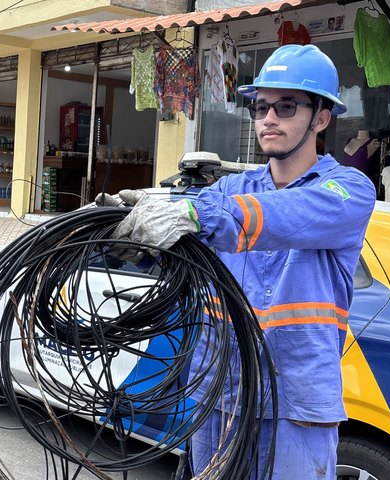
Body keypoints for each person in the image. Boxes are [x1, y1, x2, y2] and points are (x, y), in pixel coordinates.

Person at [108, 44, 376, 478]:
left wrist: (194, 213)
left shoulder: (348, 189)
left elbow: (288, 215)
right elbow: (189, 253)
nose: (268, 118)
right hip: (220, 394)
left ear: (321, 118)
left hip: (295, 404)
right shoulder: (228, 191)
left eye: (286, 106)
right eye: (261, 107)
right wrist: (138, 239)